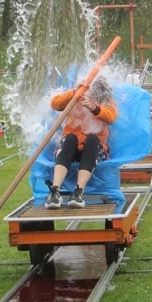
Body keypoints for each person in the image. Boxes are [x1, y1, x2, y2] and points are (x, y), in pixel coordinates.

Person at [44, 76, 118, 210]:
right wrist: (74, 93)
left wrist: (93, 107)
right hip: (71, 147)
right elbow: (55, 104)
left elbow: (111, 117)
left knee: (92, 139)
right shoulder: (76, 98)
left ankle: (78, 191)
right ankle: (55, 191)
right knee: (70, 138)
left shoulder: (107, 102)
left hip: (94, 149)